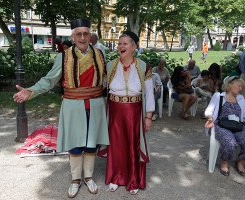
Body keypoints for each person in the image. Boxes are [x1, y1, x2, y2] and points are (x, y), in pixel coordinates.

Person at [13, 19, 109, 198]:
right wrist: (30, 91)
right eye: (78, 34)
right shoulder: (64, 56)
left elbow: (107, 80)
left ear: (90, 36)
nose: (82, 37)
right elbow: (50, 80)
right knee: (75, 143)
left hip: (95, 105)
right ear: (72, 36)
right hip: (72, 106)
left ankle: (88, 177)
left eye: (85, 33)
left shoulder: (99, 54)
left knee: (91, 143)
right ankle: (75, 180)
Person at [98, 31, 154, 195]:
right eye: (119, 43)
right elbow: (99, 86)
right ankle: (116, 177)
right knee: (115, 144)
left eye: (125, 43)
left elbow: (149, 93)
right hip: (114, 110)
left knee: (132, 144)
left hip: (134, 111)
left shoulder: (144, 67)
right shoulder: (110, 65)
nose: (120, 46)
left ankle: (133, 179)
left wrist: (148, 116)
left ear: (134, 47)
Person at [205, 76, 245, 177]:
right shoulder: (218, 96)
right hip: (221, 125)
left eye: (241, 87)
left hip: (237, 126)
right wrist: (210, 117)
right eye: (239, 86)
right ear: (229, 85)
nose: (241, 88)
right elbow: (209, 110)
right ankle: (224, 162)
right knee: (229, 141)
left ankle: (240, 161)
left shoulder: (240, 98)